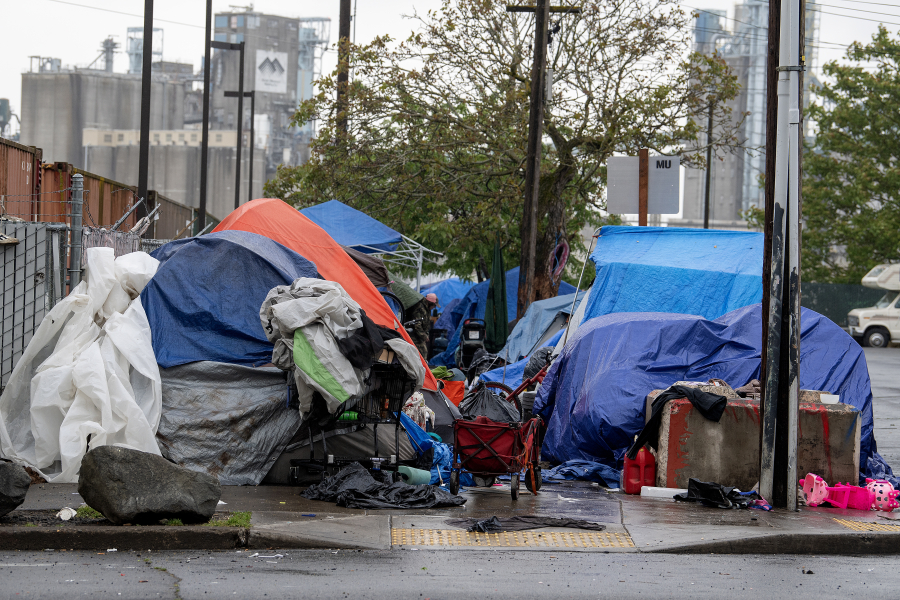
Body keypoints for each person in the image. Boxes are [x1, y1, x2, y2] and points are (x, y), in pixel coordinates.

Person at [408, 293, 438, 358]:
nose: (433, 308)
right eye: (434, 305)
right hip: (413, 334)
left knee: (423, 353)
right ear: (430, 303)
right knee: (422, 352)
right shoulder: (419, 308)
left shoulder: (427, 309)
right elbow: (417, 324)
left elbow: (426, 323)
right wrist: (424, 336)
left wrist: (426, 334)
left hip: (419, 336)